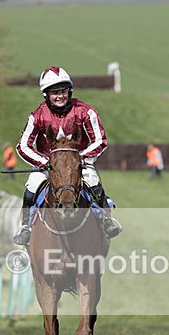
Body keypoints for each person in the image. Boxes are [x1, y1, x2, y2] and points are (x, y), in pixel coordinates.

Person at [12, 66, 122, 246]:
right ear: (46, 95)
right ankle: (26, 227)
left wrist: (80, 159)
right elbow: (22, 146)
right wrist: (43, 162)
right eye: (54, 93)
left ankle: (105, 220)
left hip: (78, 164)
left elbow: (100, 140)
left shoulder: (85, 111)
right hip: (47, 165)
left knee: (93, 181)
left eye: (63, 91)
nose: (60, 96)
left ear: (69, 91)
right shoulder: (37, 116)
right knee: (32, 187)